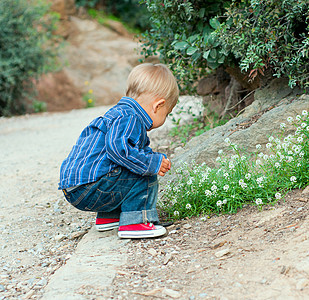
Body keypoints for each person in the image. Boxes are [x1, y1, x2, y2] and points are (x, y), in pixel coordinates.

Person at [58, 63, 179, 239]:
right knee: (143, 171)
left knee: (127, 166)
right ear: (158, 106)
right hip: (90, 186)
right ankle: (135, 223)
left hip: (75, 187)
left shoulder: (119, 113)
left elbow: (117, 155)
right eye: (166, 113)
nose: (164, 118)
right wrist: (152, 163)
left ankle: (109, 217)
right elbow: (118, 150)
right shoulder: (130, 117)